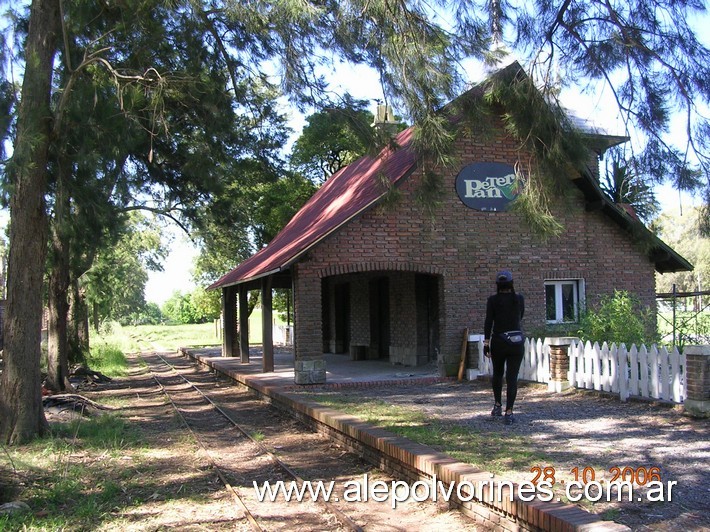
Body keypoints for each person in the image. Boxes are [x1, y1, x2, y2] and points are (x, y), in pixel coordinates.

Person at [483, 270, 525, 425]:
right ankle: (510, 412)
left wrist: (486, 343)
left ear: (497, 285)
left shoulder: (493, 300)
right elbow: (520, 316)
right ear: (512, 284)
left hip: (499, 341)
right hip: (516, 342)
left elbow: (488, 322)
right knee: (512, 378)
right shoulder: (519, 299)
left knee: (498, 374)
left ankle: (497, 405)